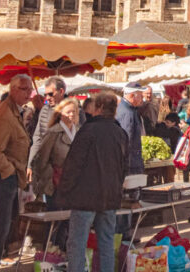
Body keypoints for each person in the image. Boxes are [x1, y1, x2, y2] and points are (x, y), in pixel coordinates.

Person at [56, 92, 126, 272]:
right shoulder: (120, 133)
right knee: (106, 243)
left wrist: (64, 191)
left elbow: (73, 165)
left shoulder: (88, 131)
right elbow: (124, 167)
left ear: (99, 108)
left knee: (77, 244)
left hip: (85, 198)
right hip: (109, 196)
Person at [0, 73, 33, 272]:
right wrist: (9, 172)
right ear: (12, 90)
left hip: (4, 178)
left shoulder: (13, 112)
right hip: (0, 179)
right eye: (24, 89)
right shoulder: (4, 115)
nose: (29, 93)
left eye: (30, 89)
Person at [30, 97, 81, 207]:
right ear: (60, 113)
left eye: (74, 112)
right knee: (55, 214)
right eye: (68, 112)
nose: (71, 114)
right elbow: (41, 158)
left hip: (74, 182)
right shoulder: (53, 132)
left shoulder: (79, 132)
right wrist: (43, 179)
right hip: (55, 182)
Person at [29, 76, 67, 176]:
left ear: (61, 91)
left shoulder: (74, 110)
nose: (47, 98)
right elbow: (37, 137)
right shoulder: (44, 110)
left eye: (51, 94)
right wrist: (30, 164)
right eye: (45, 95)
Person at [115, 82, 146, 196]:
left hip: (132, 161)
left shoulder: (129, 110)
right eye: (141, 95)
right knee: (130, 198)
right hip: (131, 164)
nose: (143, 98)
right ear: (132, 95)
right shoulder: (127, 113)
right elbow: (126, 141)